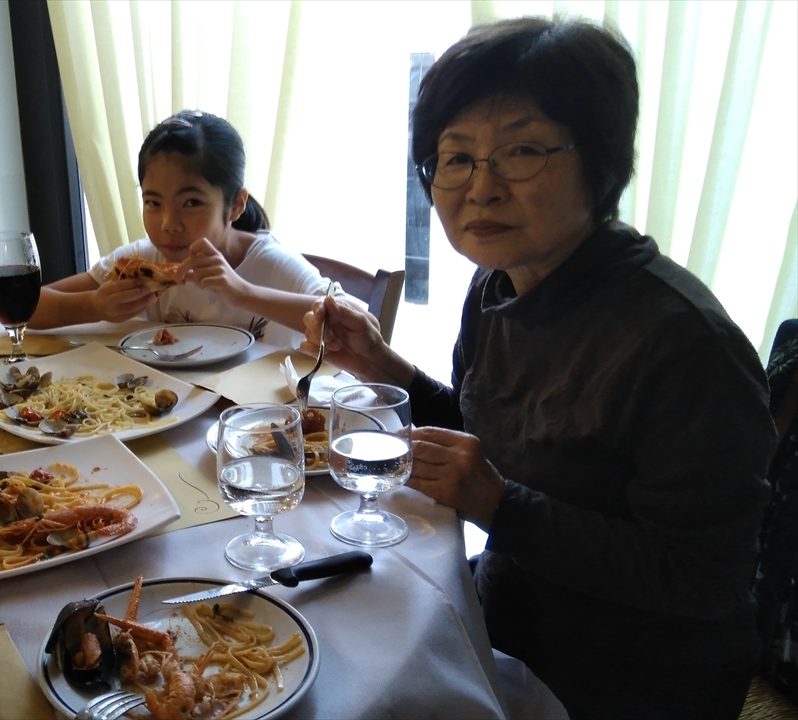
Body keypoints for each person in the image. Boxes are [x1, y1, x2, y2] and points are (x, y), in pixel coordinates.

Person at [302, 17, 775, 720]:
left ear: (602, 165)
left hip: (627, 677)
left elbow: (704, 577)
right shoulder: (498, 284)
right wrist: (386, 367)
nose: (481, 188)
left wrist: (501, 506)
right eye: (455, 157)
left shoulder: (685, 344)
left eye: (521, 151)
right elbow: (493, 436)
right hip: (508, 612)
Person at [28, 110, 334, 346]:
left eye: (191, 203)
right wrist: (94, 306)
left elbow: (350, 320)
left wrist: (243, 293)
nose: (168, 224)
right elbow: (27, 308)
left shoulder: (269, 263)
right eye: (153, 202)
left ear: (236, 204)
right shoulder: (145, 260)